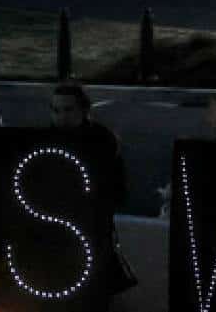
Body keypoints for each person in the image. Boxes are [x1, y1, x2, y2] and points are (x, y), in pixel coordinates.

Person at [50, 81, 137, 300]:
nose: (62, 117)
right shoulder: (48, 138)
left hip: (92, 230)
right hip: (60, 230)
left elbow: (117, 189)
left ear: (84, 110)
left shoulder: (102, 141)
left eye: (68, 110)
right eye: (56, 110)